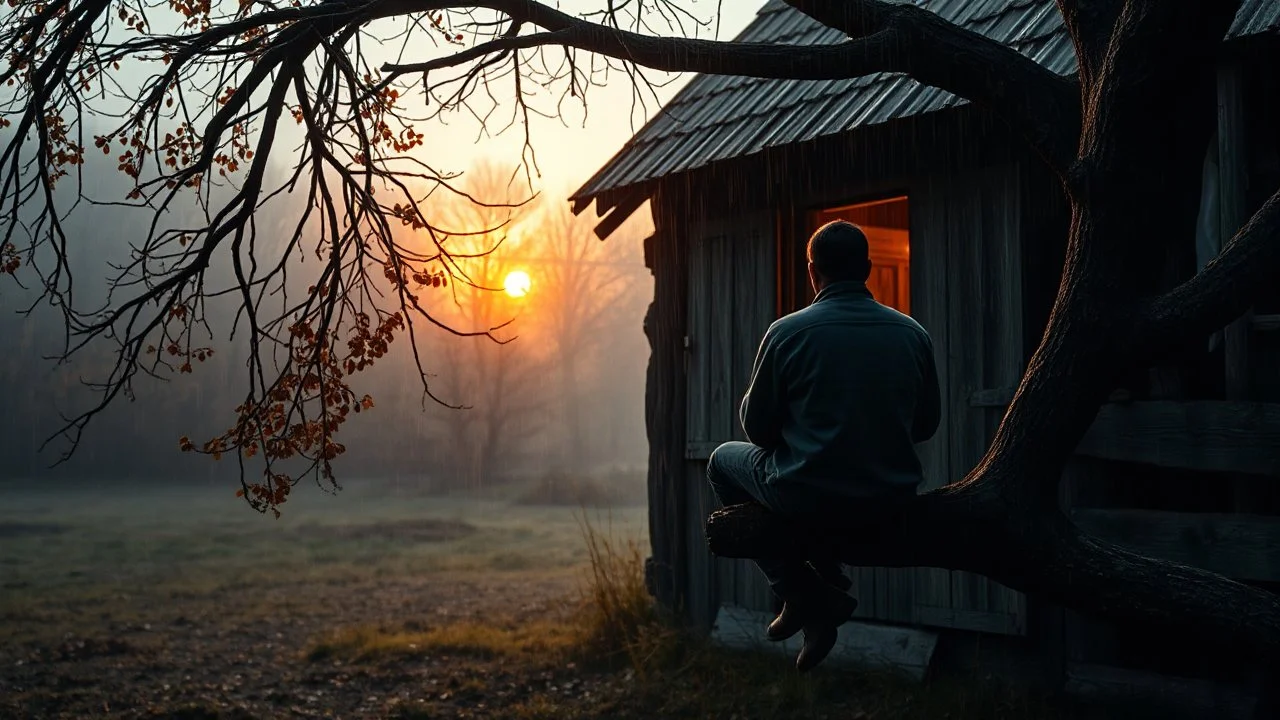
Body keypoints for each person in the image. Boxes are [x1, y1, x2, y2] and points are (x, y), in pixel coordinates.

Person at [706, 220, 941, 672]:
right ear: (868, 269)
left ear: (812, 272)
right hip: (889, 497)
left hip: (807, 496)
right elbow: (926, 425)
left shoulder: (787, 333)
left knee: (721, 461)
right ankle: (815, 587)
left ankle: (803, 591)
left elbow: (758, 433)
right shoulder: (912, 334)